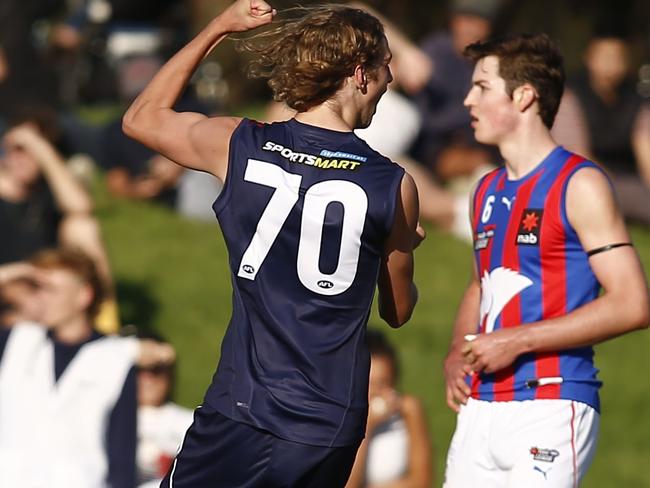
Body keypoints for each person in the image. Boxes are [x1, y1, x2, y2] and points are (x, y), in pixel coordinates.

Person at [122, 0, 422, 485]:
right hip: (327, 424)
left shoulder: (239, 143)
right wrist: (405, 243)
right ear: (360, 74)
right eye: (387, 68)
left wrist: (218, 28)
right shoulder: (392, 185)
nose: (390, 81)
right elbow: (398, 311)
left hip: (241, 408)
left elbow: (142, 117)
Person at [442, 33, 650, 487]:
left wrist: (515, 341)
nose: (467, 100)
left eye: (481, 87)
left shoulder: (580, 183)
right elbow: (482, 284)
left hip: (550, 404)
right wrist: (459, 349)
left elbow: (632, 303)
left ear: (523, 96)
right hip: (480, 407)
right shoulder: (486, 189)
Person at [0, 248, 175, 488]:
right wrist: (13, 273)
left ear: (83, 295)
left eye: (51, 289)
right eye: (36, 288)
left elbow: (121, 450)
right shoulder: (17, 340)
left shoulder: (117, 356)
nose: (41, 297)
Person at [551, 29, 650, 225]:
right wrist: (606, 184)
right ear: (590, 58)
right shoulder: (571, 94)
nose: (612, 63)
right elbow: (575, 153)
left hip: (627, 178)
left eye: (618, 57)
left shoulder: (636, 100)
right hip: (582, 177)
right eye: (605, 56)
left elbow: (645, 147)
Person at [345, 329, 432, 488]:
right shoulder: (339, 419)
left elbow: (421, 482)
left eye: (383, 383)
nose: (376, 392)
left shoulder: (407, 411)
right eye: (369, 384)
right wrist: (366, 427)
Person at [135, 335, 193, 488]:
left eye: (157, 370)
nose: (147, 378)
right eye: (137, 370)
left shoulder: (193, 422)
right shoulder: (104, 421)